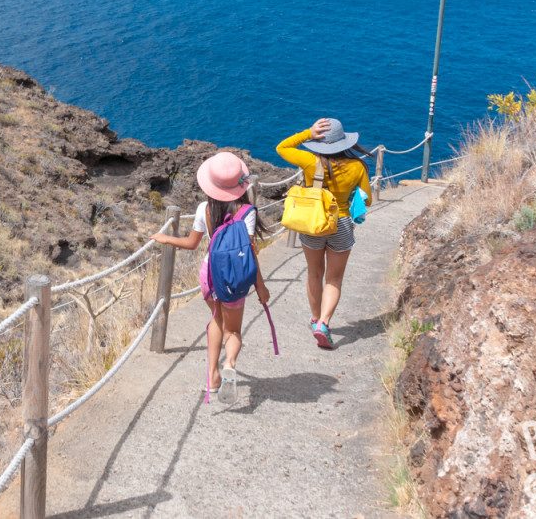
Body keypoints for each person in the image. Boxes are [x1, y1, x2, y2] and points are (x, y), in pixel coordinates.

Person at [151, 151, 270, 401]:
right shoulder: (248, 211)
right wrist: (260, 287)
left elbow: (191, 243)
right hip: (234, 279)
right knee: (233, 331)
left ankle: (212, 378)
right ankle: (230, 364)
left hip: (209, 275)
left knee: (216, 320)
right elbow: (249, 252)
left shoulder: (204, 208)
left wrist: (165, 238)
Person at [276, 118, 372, 350]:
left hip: (313, 223)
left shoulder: (310, 162)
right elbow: (367, 197)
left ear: (320, 142)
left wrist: (308, 132)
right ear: (342, 141)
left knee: (314, 273)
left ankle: (315, 318)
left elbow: (282, 147)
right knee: (334, 279)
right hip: (341, 224)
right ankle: (324, 323)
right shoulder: (357, 166)